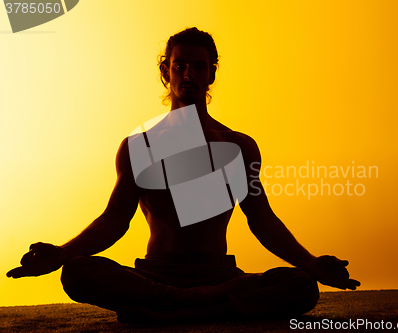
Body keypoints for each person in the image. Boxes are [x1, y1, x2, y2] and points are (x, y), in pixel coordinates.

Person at [6, 27, 360, 323]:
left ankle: (171, 310)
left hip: (218, 274)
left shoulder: (237, 146)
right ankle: (202, 305)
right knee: (78, 272)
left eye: (198, 67)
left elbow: (262, 218)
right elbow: (115, 220)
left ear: (211, 74)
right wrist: (62, 255)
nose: (188, 75)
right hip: (156, 275)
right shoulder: (139, 144)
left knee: (300, 285)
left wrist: (313, 264)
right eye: (180, 66)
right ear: (166, 71)